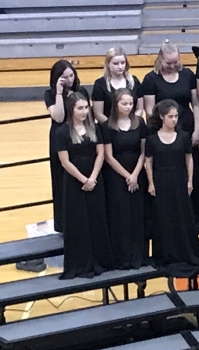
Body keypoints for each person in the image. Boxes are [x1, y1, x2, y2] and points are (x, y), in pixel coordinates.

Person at [141, 42, 199, 223]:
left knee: (191, 170)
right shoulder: (150, 79)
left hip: (186, 129)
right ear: (160, 58)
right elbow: (150, 110)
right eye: (168, 63)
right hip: (164, 134)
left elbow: (196, 104)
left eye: (175, 61)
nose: (172, 65)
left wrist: (197, 129)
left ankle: (194, 216)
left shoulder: (187, 75)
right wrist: (160, 134)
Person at [144, 99, 199, 277]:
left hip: (179, 178)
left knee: (182, 214)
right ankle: (166, 253)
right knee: (164, 216)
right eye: (171, 116)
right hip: (161, 179)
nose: (174, 120)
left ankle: (184, 250)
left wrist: (190, 181)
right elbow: (148, 162)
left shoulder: (184, 136)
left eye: (176, 116)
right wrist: (151, 183)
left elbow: (189, 159)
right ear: (162, 117)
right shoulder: (152, 140)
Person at [55, 92, 113, 279]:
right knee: (78, 222)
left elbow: (101, 154)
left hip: (95, 179)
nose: (84, 111)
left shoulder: (95, 128)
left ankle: (100, 260)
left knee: (96, 219)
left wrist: (93, 177)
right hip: (74, 182)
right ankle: (80, 263)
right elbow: (65, 162)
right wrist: (83, 180)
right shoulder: (62, 132)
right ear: (71, 109)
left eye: (86, 108)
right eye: (80, 108)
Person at [102, 88, 149, 270]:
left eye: (131, 103)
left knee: (137, 215)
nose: (128, 107)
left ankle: (139, 255)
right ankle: (121, 257)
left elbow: (143, 151)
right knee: (120, 216)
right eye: (124, 104)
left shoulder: (139, 123)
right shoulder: (107, 126)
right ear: (116, 104)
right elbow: (109, 156)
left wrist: (136, 174)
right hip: (117, 176)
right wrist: (127, 175)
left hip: (137, 174)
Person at [44, 59, 88, 232]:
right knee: (62, 180)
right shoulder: (50, 94)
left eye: (71, 75)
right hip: (61, 138)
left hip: (81, 137)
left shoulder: (82, 91)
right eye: (65, 77)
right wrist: (59, 92)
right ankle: (64, 224)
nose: (70, 79)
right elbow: (59, 117)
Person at [91, 47, 143, 123]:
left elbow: (140, 109)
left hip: (131, 126)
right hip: (109, 127)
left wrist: (131, 123)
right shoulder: (100, 84)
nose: (120, 67)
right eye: (116, 63)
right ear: (108, 64)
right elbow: (98, 114)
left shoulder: (134, 81)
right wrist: (113, 126)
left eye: (122, 63)